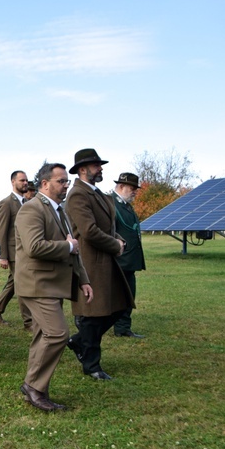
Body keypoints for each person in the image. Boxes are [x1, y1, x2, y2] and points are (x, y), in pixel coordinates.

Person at [14, 162, 93, 411]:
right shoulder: (31, 210)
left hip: (52, 284)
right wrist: (68, 246)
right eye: (61, 181)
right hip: (37, 284)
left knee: (43, 335)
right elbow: (35, 247)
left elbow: (74, 248)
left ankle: (33, 385)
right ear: (45, 183)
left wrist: (83, 279)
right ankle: (35, 387)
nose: (66, 185)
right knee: (57, 333)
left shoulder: (60, 211)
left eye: (66, 181)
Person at [65, 148, 134, 380]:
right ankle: (92, 366)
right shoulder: (77, 194)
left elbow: (108, 227)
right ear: (83, 170)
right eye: (96, 165)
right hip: (91, 263)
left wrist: (119, 238)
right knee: (94, 316)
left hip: (106, 261)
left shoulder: (97, 194)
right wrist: (115, 245)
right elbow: (89, 231)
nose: (101, 168)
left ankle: (77, 341)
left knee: (121, 305)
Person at [0, 171, 33, 328]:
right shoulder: (6, 203)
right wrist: (3, 255)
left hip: (25, 252)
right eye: (22, 180)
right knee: (22, 284)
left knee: (13, 284)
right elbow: (1, 230)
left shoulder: (26, 203)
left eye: (26, 180)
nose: (25, 183)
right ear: (13, 182)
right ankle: (29, 322)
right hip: (14, 253)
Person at [112, 172, 146, 338]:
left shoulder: (126, 205)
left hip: (129, 260)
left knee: (129, 295)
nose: (134, 192)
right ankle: (120, 327)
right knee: (120, 296)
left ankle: (123, 327)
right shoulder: (111, 203)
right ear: (121, 186)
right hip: (119, 260)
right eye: (132, 188)